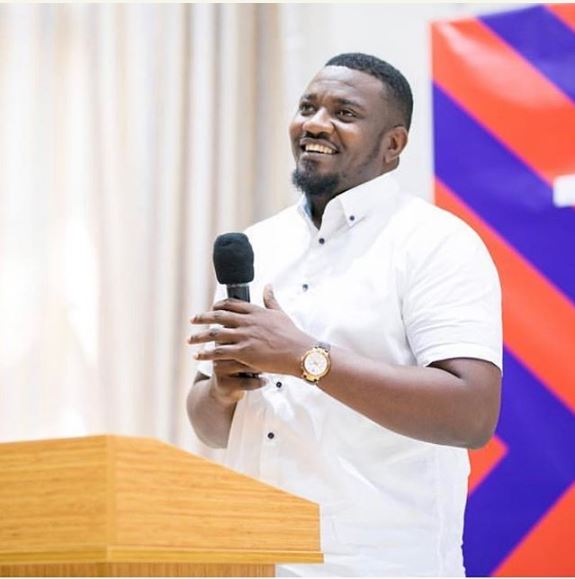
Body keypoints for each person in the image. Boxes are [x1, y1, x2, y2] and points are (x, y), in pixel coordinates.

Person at [186, 53, 502, 577]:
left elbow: (471, 414)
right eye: (307, 107)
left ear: (392, 145)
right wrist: (221, 390)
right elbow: (211, 427)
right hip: (251, 556)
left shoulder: (435, 243)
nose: (315, 123)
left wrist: (304, 358)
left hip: (377, 564)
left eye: (344, 113)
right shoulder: (256, 244)